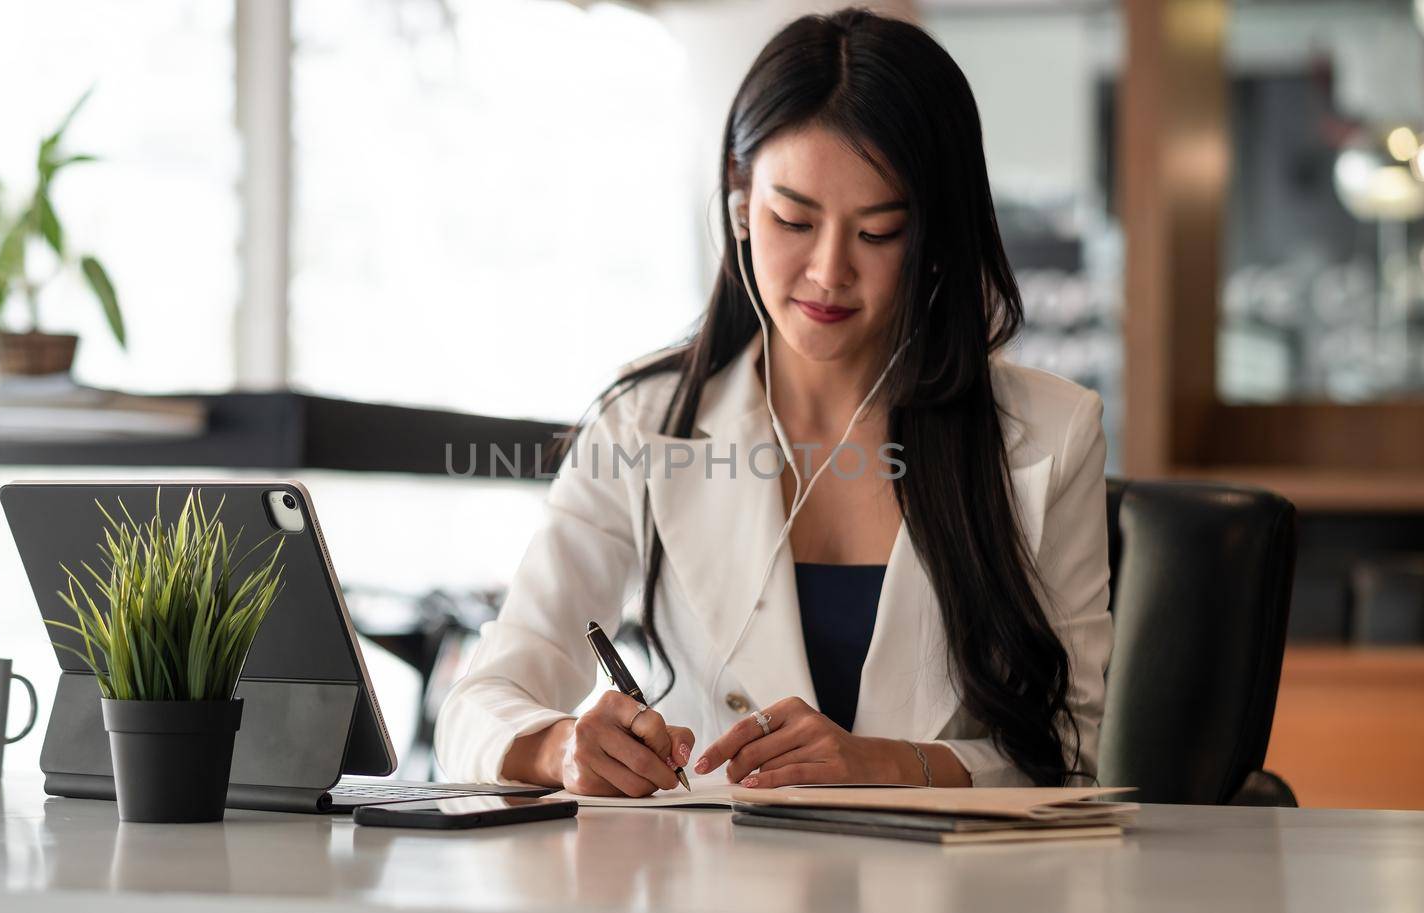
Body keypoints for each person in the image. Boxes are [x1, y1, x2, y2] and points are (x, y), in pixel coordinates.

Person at [435, 7, 1112, 796]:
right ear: (738, 202)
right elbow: (476, 706)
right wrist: (558, 748)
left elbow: (1075, 749)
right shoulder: (645, 423)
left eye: (879, 232)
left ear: (935, 236)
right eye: (793, 218)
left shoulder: (1050, 434)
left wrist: (891, 763)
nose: (828, 272)